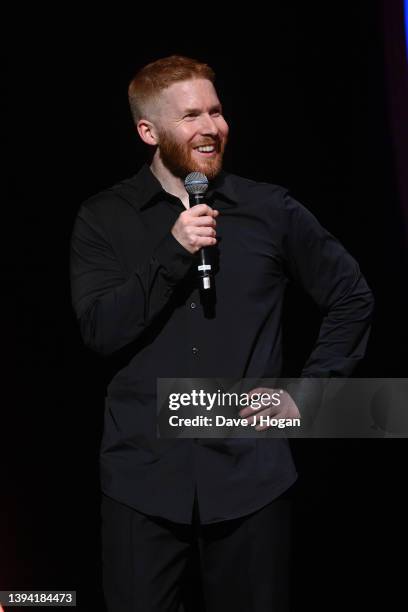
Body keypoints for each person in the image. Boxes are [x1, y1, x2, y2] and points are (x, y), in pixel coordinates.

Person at [69, 55, 374, 611]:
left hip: (250, 477)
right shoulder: (103, 218)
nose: (211, 127)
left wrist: (307, 395)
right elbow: (99, 331)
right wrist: (174, 250)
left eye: (216, 111)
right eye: (190, 116)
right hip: (143, 479)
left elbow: (351, 296)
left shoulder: (268, 209)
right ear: (148, 131)